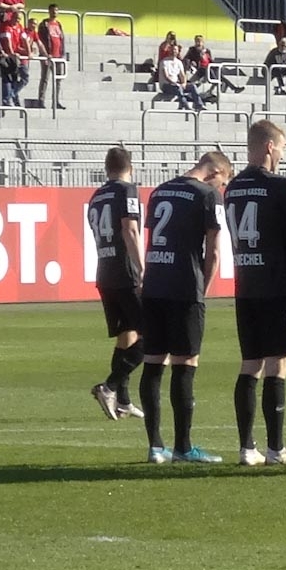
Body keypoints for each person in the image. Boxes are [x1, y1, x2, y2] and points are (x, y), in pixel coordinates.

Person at [138, 151, 233, 464]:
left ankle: (155, 446)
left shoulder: (160, 191)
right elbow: (214, 252)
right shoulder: (208, 195)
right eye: (223, 182)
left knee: (153, 363)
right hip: (184, 286)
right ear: (215, 172)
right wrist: (202, 291)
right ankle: (183, 446)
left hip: (154, 284)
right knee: (185, 363)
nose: (221, 188)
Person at [223, 121, 286, 467]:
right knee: (278, 364)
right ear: (270, 146)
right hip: (276, 283)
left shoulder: (232, 187)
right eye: (281, 148)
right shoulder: (279, 186)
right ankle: (276, 448)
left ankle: (246, 448)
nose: (282, 155)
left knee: (250, 364)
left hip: (246, 284)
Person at [88, 147, 146, 422]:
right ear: (130, 168)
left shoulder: (96, 196)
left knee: (126, 335)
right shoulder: (127, 190)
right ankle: (110, 386)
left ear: (106, 168)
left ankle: (122, 401)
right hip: (126, 272)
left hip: (105, 272)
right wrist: (142, 268)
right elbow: (129, 229)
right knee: (154, 336)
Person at [37, 3, 67, 109]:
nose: (54, 12)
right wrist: (44, 54)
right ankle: (41, 100)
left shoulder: (59, 24)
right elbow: (40, 40)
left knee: (58, 80)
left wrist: (63, 53)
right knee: (45, 78)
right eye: (53, 10)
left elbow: (61, 39)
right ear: (49, 11)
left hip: (58, 56)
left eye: (56, 10)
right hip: (48, 56)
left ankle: (56, 101)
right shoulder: (44, 24)